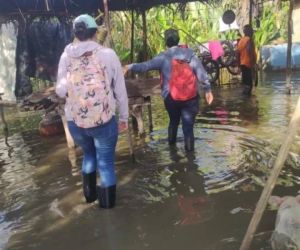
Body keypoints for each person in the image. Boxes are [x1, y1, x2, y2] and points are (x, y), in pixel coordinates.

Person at [55, 14, 128, 209]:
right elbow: (120, 91)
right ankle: (108, 213)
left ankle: (89, 200)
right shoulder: (108, 54)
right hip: (103, 120)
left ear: (75, 34)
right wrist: (124, 117)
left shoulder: (65, 56)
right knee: (105, 163)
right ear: (96, 32)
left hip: (75, 122)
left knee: (88, 155)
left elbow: (60, 91)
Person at [123, 28, 213, 152]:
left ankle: (172, 150)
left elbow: (145, 66)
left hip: (171, 98)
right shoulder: (190, 54)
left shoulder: (163, 57)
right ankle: (191, 160)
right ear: (178, 40)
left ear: (166, 42)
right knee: (188, 128)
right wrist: (208, 90)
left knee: (173, 122)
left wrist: (130, 66)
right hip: (190, 98)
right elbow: (201, 74)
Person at [237, 24, 257, 96]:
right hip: (248, 64)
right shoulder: (249, 40)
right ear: (249, 32)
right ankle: (247, 101)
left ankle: (245, 101)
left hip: (243, 64)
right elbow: (249, 51)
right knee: (249, 85)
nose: (252, 33)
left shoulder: (241, 40)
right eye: (251, 31)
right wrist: (253, 65)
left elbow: (237, 53)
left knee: (246, 84)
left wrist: (239, 66)